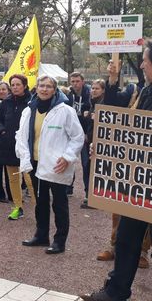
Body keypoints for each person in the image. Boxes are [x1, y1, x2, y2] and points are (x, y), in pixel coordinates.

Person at [80, 48, 152, 300]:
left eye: (144, 61)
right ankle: (115, 291)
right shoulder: (144, 91)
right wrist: (106, 143)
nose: (141, 66)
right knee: (125, 238)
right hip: (139, 182)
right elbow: (121, 118)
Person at [87, 68, 148, 270]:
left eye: (145, 62)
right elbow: (112, 104)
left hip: (146, 161)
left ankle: (142, 251)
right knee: (120, 205)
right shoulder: (138, 89)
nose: (141, 66)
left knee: (145, 210)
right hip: (128, 158)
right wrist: (112, 79)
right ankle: (115, 247)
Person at [16, 74, 84, 255]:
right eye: (41, 86)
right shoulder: (29, 110)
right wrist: (24, 158)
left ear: (55, 90)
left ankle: (59, 241)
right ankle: (41, 235)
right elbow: (21, 136)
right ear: (36, 88)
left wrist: (68, 156)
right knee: (41, 202)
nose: (44, 89)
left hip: (57, 165)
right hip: (35, 163)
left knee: (59, 204)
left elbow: (78, 137)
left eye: (48, 86)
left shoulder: (65, 111)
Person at [0, 74, 35, 220]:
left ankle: (39, 208)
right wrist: (2, 131)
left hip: (26, 146)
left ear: (24, 85)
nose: (15, 87)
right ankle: (18, 207)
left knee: (30, 179)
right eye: (13, 85)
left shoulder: (33, 102)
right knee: (12, 178)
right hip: (8, 144)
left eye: (18, 84)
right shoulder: (6, 102)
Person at [66, 72, 91, 197]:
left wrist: (87, 132)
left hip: (85, 133)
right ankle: (68, 187)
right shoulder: (68, 95)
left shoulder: (89, 94)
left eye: (77, 81)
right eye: (73, 81)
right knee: (69, 159)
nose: (75, 84)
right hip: (71, 133)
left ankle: (88, 192)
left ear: (83, 81)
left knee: (86, 163)